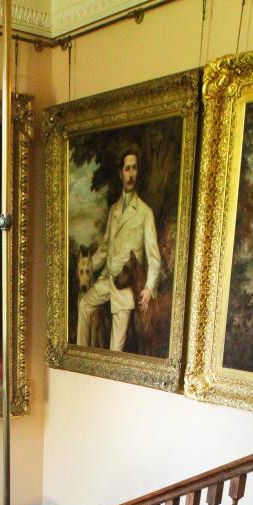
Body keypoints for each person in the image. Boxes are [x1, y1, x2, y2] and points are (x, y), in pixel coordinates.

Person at [76, 147, 161, 352]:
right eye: (127, 169)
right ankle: (79, 357)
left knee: (115, 350)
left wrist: (149, 287)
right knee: (84, 305)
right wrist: (87, 265)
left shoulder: (144, 212)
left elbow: (154, 256)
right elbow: (105, 248)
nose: (131, 174)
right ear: (120, 173)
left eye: (134, 169)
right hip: (107, 280)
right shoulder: (114, 210)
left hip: (125, 288)